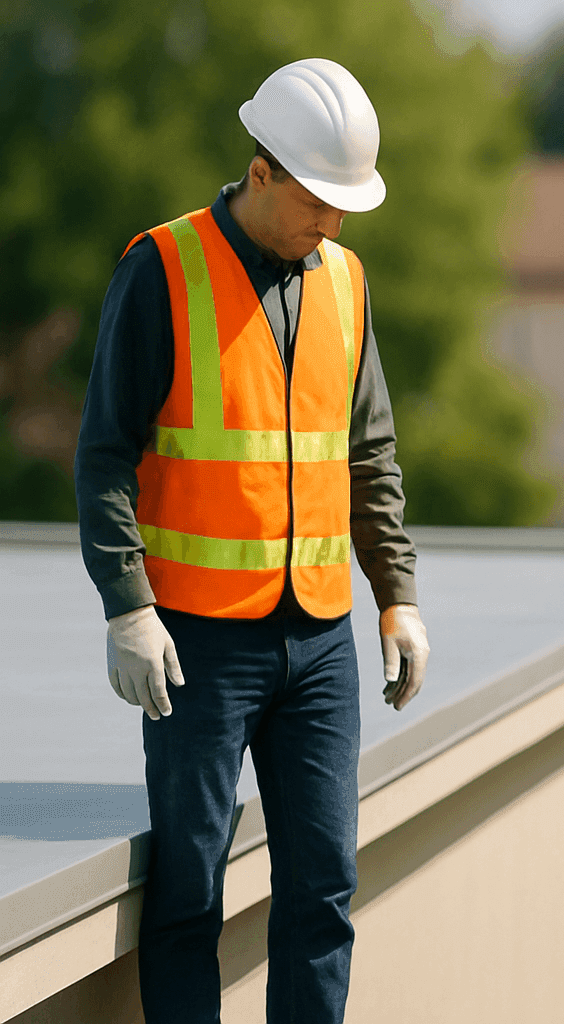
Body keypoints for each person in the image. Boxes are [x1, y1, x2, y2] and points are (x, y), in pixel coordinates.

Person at [74, 58, 430, 1023]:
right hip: (194, 643)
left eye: (347, 206)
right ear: (262, 171)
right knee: (189, 894)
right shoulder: (161, 269)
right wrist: (128, 606)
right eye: (320, 201)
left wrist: (395, 594)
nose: (335, 225)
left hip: (318, 643)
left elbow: (371, 453)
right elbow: (104, 454)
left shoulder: (346, 282)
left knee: (324, 891)